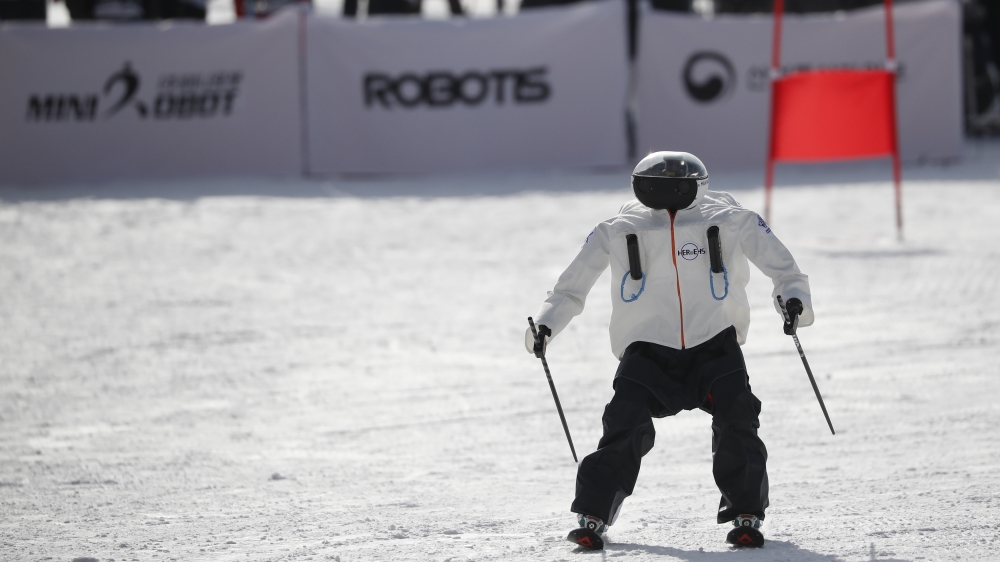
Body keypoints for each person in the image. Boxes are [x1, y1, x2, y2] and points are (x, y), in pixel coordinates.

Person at [525, 151, 814, 550]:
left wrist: (793, 302)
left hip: (715, 344)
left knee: (738, 419)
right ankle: (593, 514)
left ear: (697, 186)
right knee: (624, 422)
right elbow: (570, 288)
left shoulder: (732, 219)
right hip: (647, 349)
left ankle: (746, 512)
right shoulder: (618, 229)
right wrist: (545, 325)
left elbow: (785, 270)